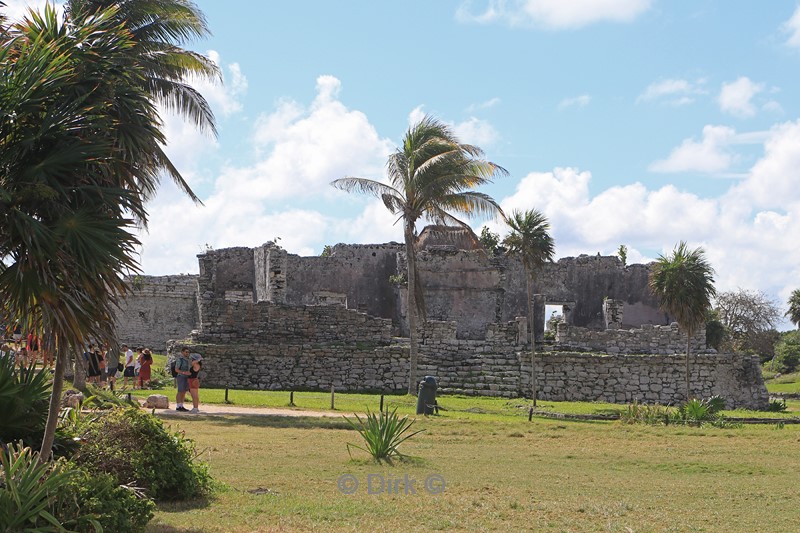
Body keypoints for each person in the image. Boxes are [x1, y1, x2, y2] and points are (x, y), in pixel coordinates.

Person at [174, 347, 192, 412]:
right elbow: (176, 369)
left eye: (188, 352)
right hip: (181, 376)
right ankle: (178, 406)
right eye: (186, 352)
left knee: (184, 391)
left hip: (186, 377)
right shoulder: (180, 359)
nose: (187, 353)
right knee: (180, 391)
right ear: (182, 352)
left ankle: (181, 405)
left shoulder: (188, 360)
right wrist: (184, 372)